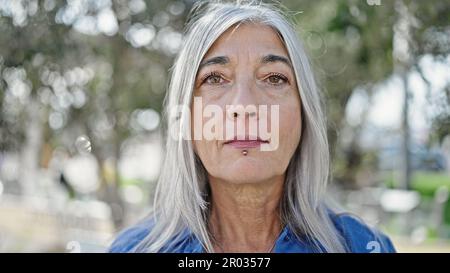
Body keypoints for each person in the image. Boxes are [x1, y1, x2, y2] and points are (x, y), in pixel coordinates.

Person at [109, 0, 396, 253]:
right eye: (215, 79)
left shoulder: (363, 247)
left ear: (304, 113)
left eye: (273, 78)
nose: (245, 106)